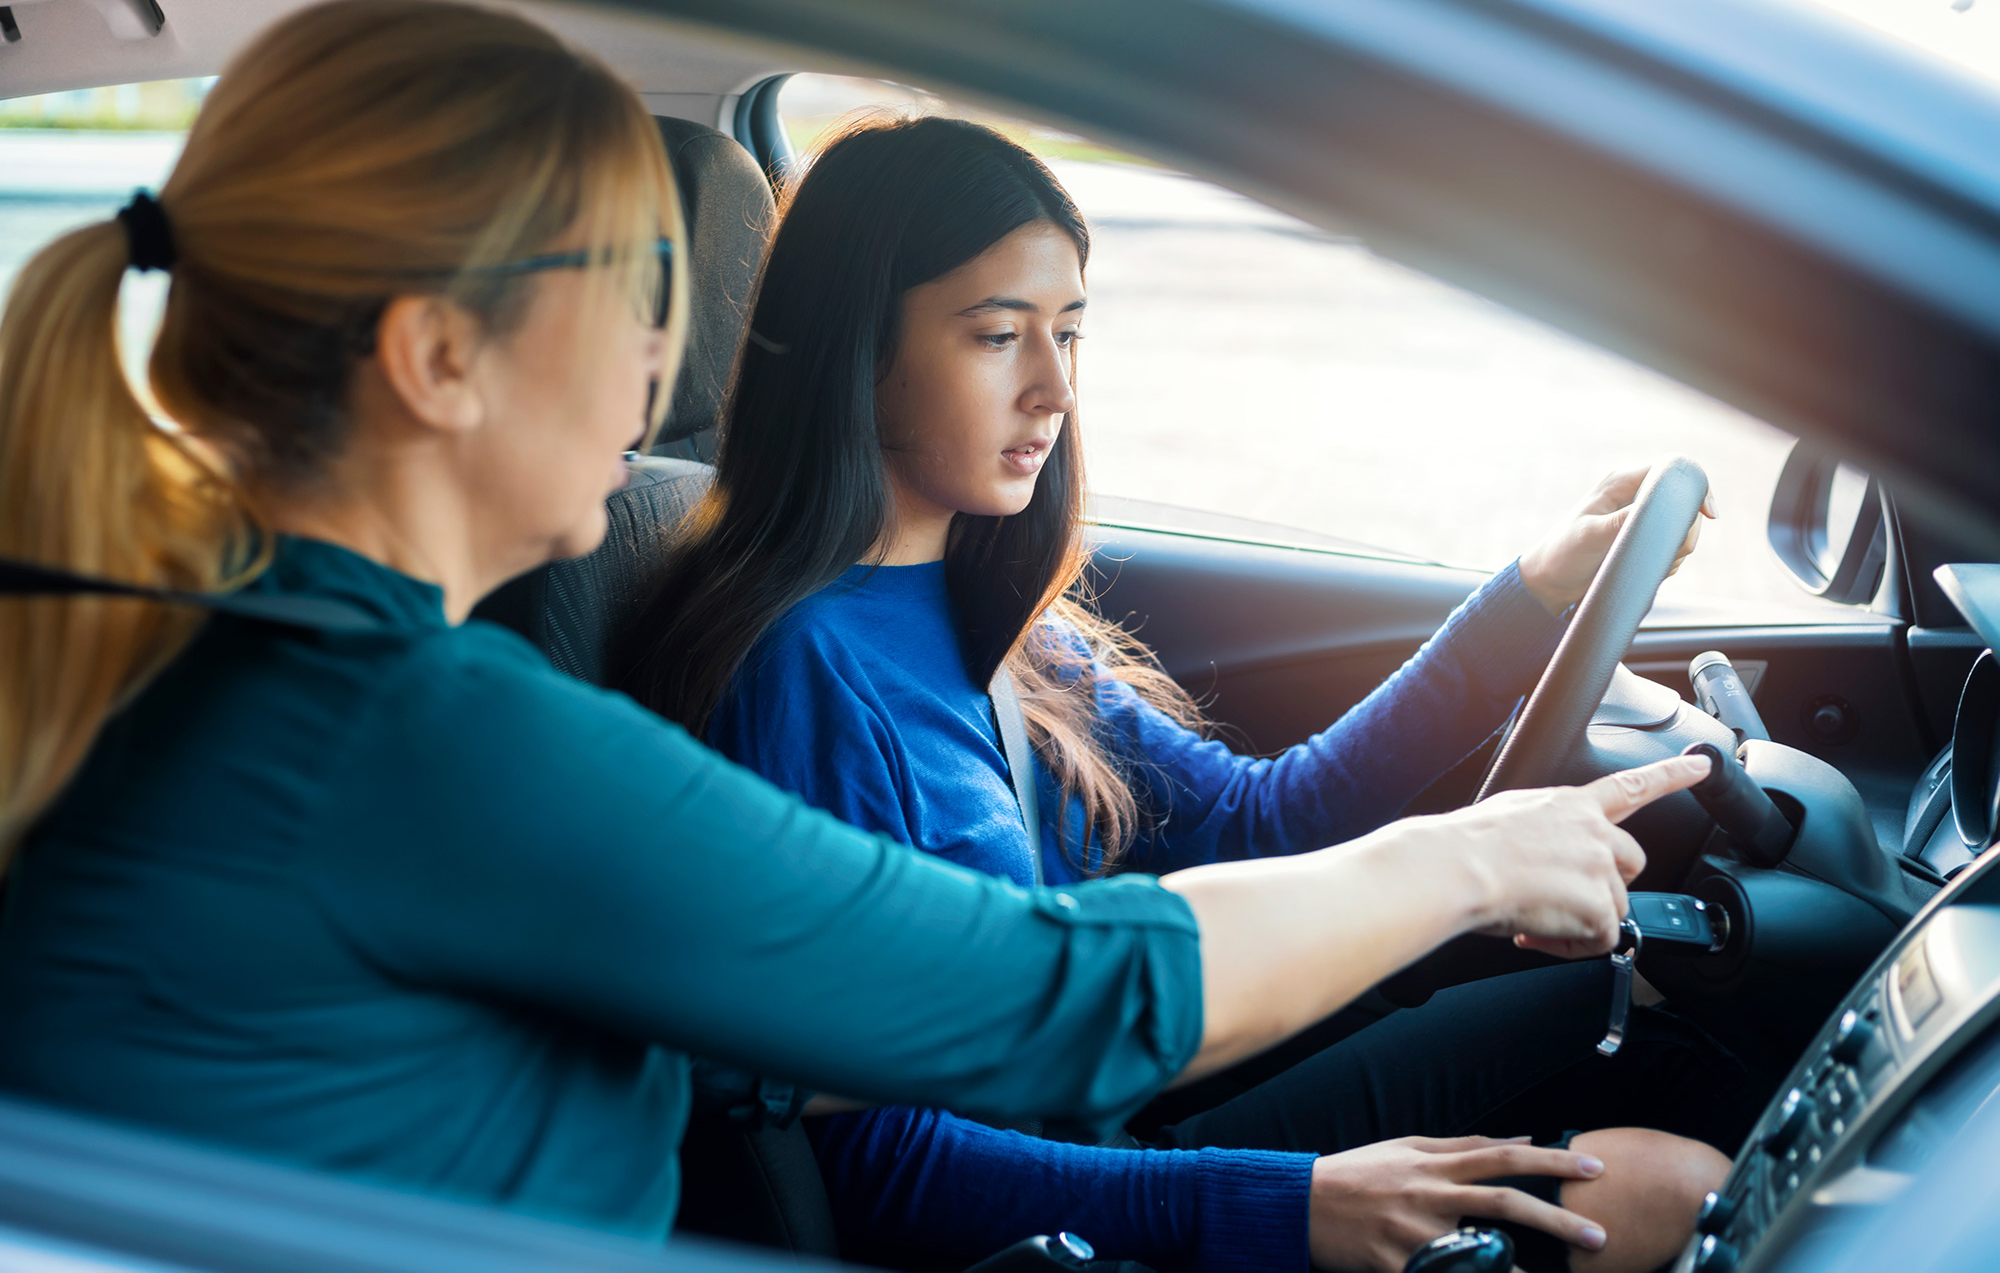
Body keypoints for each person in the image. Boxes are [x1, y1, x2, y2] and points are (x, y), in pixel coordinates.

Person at [0, 0, 1699, 1248]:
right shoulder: (418, 733)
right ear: (441, 358)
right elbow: (1036, 1003)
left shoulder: (304, 686)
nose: (665, 363)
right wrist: (1462, 866)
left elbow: (827, 1058)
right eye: (636, 296)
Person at [617, 116, 1746, 1273]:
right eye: (997, 336)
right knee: (1671, 1188)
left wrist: (1533, 594)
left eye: (1068, 334)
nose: (1053, 389)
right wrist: (1293, 1204)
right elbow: (882, 1166)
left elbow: (1261, 819)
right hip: (1050, 1225)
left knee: (1644, 1016)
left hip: (1105, 1127)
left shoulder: (992, 609)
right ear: (860, 350)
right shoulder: (804, 671)